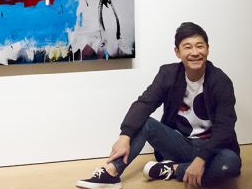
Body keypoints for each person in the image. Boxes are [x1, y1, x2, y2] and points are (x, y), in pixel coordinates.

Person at [76, 22, 241, 188]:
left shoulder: (221, 81)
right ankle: (111, 172)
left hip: (213, 149)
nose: (195, 52)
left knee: (230, 164)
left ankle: (172, 170)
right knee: (145, 122)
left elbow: (225, 128)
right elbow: (145, 103)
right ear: (177, 52)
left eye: (200, 46)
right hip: (180, 143)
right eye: (187, 47)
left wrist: (201, 159)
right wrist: (125, 135)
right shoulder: (168, 74)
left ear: (207, 49)